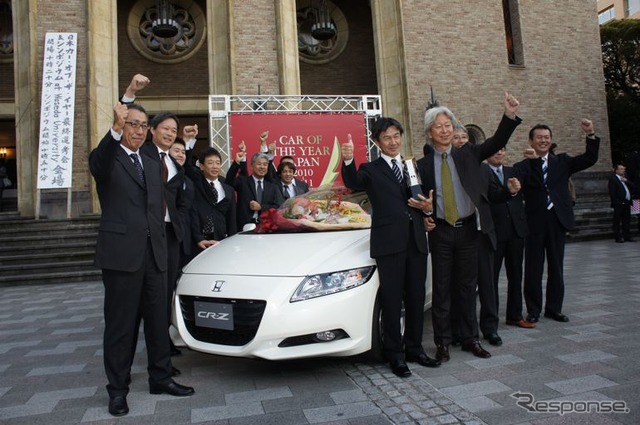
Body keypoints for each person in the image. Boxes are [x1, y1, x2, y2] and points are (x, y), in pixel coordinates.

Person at [89, 103, 194, 417]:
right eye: (130, 124)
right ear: (121, 126)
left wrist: (186, 146)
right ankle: (118, 390)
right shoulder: (107, 158)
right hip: (122, 256)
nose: (136, 130)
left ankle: (160, 377)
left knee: (158, 322)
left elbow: (172, 182)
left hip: (155, 255)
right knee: (121, 327)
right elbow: (100, 163)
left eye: (141, 125)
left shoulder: (150, 161)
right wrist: (114, 128)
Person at [417, 92, 521, 363]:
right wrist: (424, 215)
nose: (444, 130)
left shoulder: (470, 154)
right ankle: (442, 342)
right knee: (441, 289)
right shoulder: (422, 165)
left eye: (448, 125)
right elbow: (417, 200)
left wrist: (508, 115)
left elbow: (497, 141)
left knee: (467, 287)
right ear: (430, 133)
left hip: (467, 230)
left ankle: (471, 338)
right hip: (440, 231)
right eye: (439, 126)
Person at [341, 117, 440, 378]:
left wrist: (428, 211)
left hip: (416, 240)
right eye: (387, 137)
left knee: (416, 297)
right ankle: (395, 355)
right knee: (393, 299)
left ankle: (415, 349)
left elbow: (424, 199)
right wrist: (348, 159)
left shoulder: (411, 165)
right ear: (377, 142)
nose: (393, 141)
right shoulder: (370, 169)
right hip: (389, 244)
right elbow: (353, 181)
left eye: (397, 136)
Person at [513, 120, 600, 323]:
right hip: (534, 223)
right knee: (533, 268)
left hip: (557, 220)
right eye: (539, 138)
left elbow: (589, 159)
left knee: (556, 267)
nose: (543, 141)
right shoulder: (522, 166)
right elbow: (526, 184)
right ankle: (533, 310)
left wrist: (591, 134)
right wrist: (534, 162)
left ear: (551, 140)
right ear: (531, 141)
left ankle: (554, 308)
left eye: (547, 137)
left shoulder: (562, 162)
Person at [485, 148, 534, 329]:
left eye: (502, 150)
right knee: (492, 278)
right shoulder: (481, 173)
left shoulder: (513, 172)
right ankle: (492, 319)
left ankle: (515, 315)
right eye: (494, 150)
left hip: (516, 231)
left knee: (516, 275)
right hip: (494, 233)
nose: (498, 153)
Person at [187, 145, 237, 250]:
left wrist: (232, 241)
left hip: (221, 243)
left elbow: (231, 219)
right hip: (199, 243)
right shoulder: (195, 185)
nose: (215, 166)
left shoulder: (228, 190)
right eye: (210, 163)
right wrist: (198, 238)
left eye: (218, 163)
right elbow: (193, 214)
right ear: (201, 166)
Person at [226, 148, 284, 229]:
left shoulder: (272, 186)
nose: (262, 167)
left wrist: (261, 207)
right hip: (244, 226)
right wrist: (236, 163)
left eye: (265, 164)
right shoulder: (243, 182)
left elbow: (278, 206)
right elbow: (228, 181)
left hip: (266, 226)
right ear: (252, 166)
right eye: (259, 164)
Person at [168, 138, 196, 269]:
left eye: (183, 152)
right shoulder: (160, 175)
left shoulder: (188, 181)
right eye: (176, 151)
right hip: (166, 237)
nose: (181, 155)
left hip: (185, 240)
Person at [608, 163, 635, 243]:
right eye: (621, 169)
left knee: (627, 220)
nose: (623, 170)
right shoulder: (613, 179)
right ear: (616, 170)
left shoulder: (625, 178)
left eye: (623, 169)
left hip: (627, 203)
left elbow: (634, 186)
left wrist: (626, 181)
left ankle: (627, 236)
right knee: (617, 221)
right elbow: (612, 193)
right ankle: (618, 237)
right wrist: (617, 202)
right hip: (619, 204)